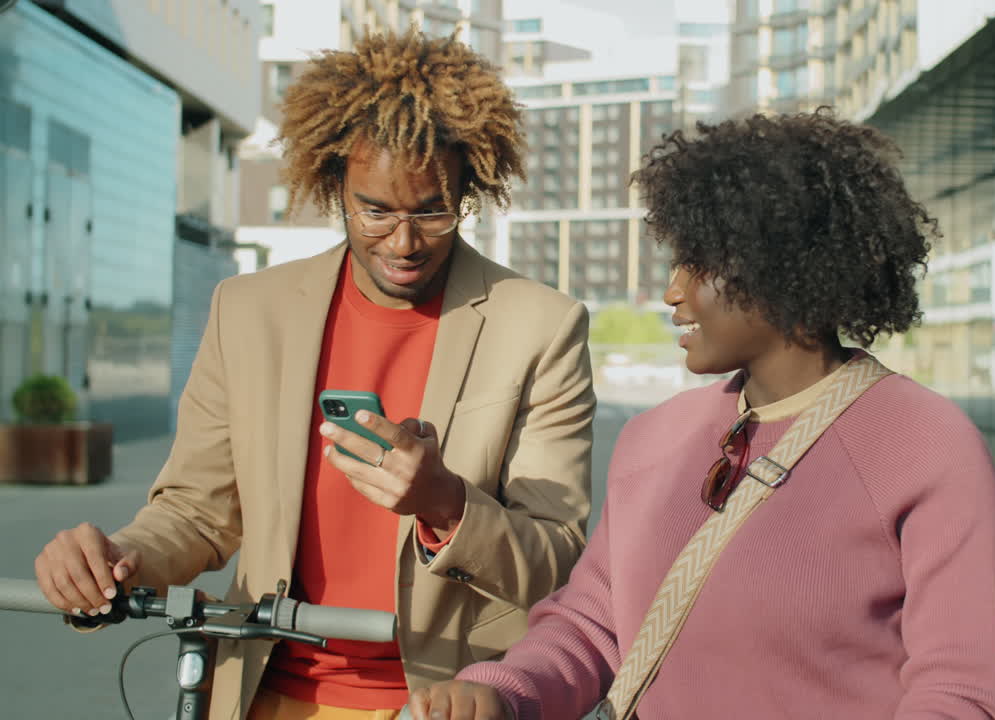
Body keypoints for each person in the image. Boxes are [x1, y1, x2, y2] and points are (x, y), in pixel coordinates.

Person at [33, 30, 595, 719]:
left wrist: (445, 503)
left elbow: (558, 561)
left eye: (432, 210)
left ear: (469, 190)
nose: (404, 242)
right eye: (376, 210)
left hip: (441, 702)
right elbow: (196, 512)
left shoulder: (541, 327)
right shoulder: (248, 311)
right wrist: (115, 558)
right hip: (263, 693)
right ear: (334, 186)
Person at [409, 109, 995, 720]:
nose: (673, 291)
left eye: (697, 263)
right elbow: (593, 623)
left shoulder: (927, 447)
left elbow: (961, 696)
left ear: (780, 265)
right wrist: (502, 690)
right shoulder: (654, 438)